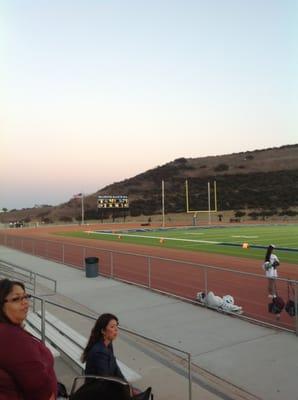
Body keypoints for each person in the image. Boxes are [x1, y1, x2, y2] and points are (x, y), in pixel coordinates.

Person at [0, 279, 57, 400]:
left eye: (26, 297)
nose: (25, 303)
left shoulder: (9, 331)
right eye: (16, 299)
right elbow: (39, 388)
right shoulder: (11, 337)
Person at [81, 313, 152, 400]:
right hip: (95, 393)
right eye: (112, 327)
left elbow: (115, 368)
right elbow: (106, 380)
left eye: (116, 326)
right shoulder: (99, 352)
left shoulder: (107, 344)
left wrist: (128, 385)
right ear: (103, 331)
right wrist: (125, 390)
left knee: (133, 391)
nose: (116, 329)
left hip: (103, 388)